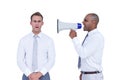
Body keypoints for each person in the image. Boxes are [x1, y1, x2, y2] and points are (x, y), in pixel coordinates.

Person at [17, 12, 55, 80]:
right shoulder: (23, 40)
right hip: (27, 75)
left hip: (44, 75)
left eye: (39, 21)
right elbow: (19, 60)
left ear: (42, 23)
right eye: (34, 21)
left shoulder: (49, 40)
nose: (37, 24)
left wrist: (39, 74)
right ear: (30, 23)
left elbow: (51, 60)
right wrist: (29, 74)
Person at [69, 13, 104, 80]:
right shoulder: (90, 36)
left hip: (93, 77)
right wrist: (83, 73)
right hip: (88, 75)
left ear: (93, 22)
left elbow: (83, 54)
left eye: (85, 20)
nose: (82, 22)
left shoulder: (96, 37)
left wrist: (74, 38)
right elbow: (88, 56)